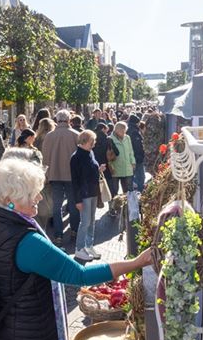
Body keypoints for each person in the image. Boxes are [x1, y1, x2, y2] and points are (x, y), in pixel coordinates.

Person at [0, 158, 153, 340]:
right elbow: (80, 274)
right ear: (9, 201)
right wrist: (137, 262)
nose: (39, 197)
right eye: (32, 193)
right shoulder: (27, 242)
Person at [42, 109, 80, 246]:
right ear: (69, 120)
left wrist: (45, 175)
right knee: (73, 204)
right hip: (72, 176)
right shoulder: (76, 135)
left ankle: (58, 235)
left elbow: (45, 158)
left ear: (57, 120)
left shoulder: (49, 136)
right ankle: (74, 230)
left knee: (56, 206)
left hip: (54, 175)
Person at [71, 130, 106, 261]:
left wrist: (99, 170)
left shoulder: (90, 153)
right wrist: (77, 200)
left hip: (92, 192)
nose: (94, 143)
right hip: (84, 194)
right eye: (93, 141)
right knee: (85, 222)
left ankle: (88, 245)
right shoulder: (76, 157)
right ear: (85, 141)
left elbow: (90, 171)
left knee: (91, 221)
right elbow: (75, 180)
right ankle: (79, 248)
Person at [108, 121, 136, 198]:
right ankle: (113, 208)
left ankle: (129, 207)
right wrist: (111, 166)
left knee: (129, 191)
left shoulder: (127, 138)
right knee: (114, 191)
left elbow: (131, 151)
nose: (124, 133)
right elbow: (108, 155)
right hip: (116, 169)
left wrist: (133, 162)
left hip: (127, 168)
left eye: (125, 131)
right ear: (117, 130)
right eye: (122, 132)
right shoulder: (110, 139)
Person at [127, 114, 146, 191]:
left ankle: (131, 192)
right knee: (140, 176)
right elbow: (138, 146)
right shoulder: (135, 132)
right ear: (136, 123)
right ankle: (140, 192)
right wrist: (141, 156)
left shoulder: (128, 130)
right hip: (137, 158)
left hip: (131, 157)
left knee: (132, 176)